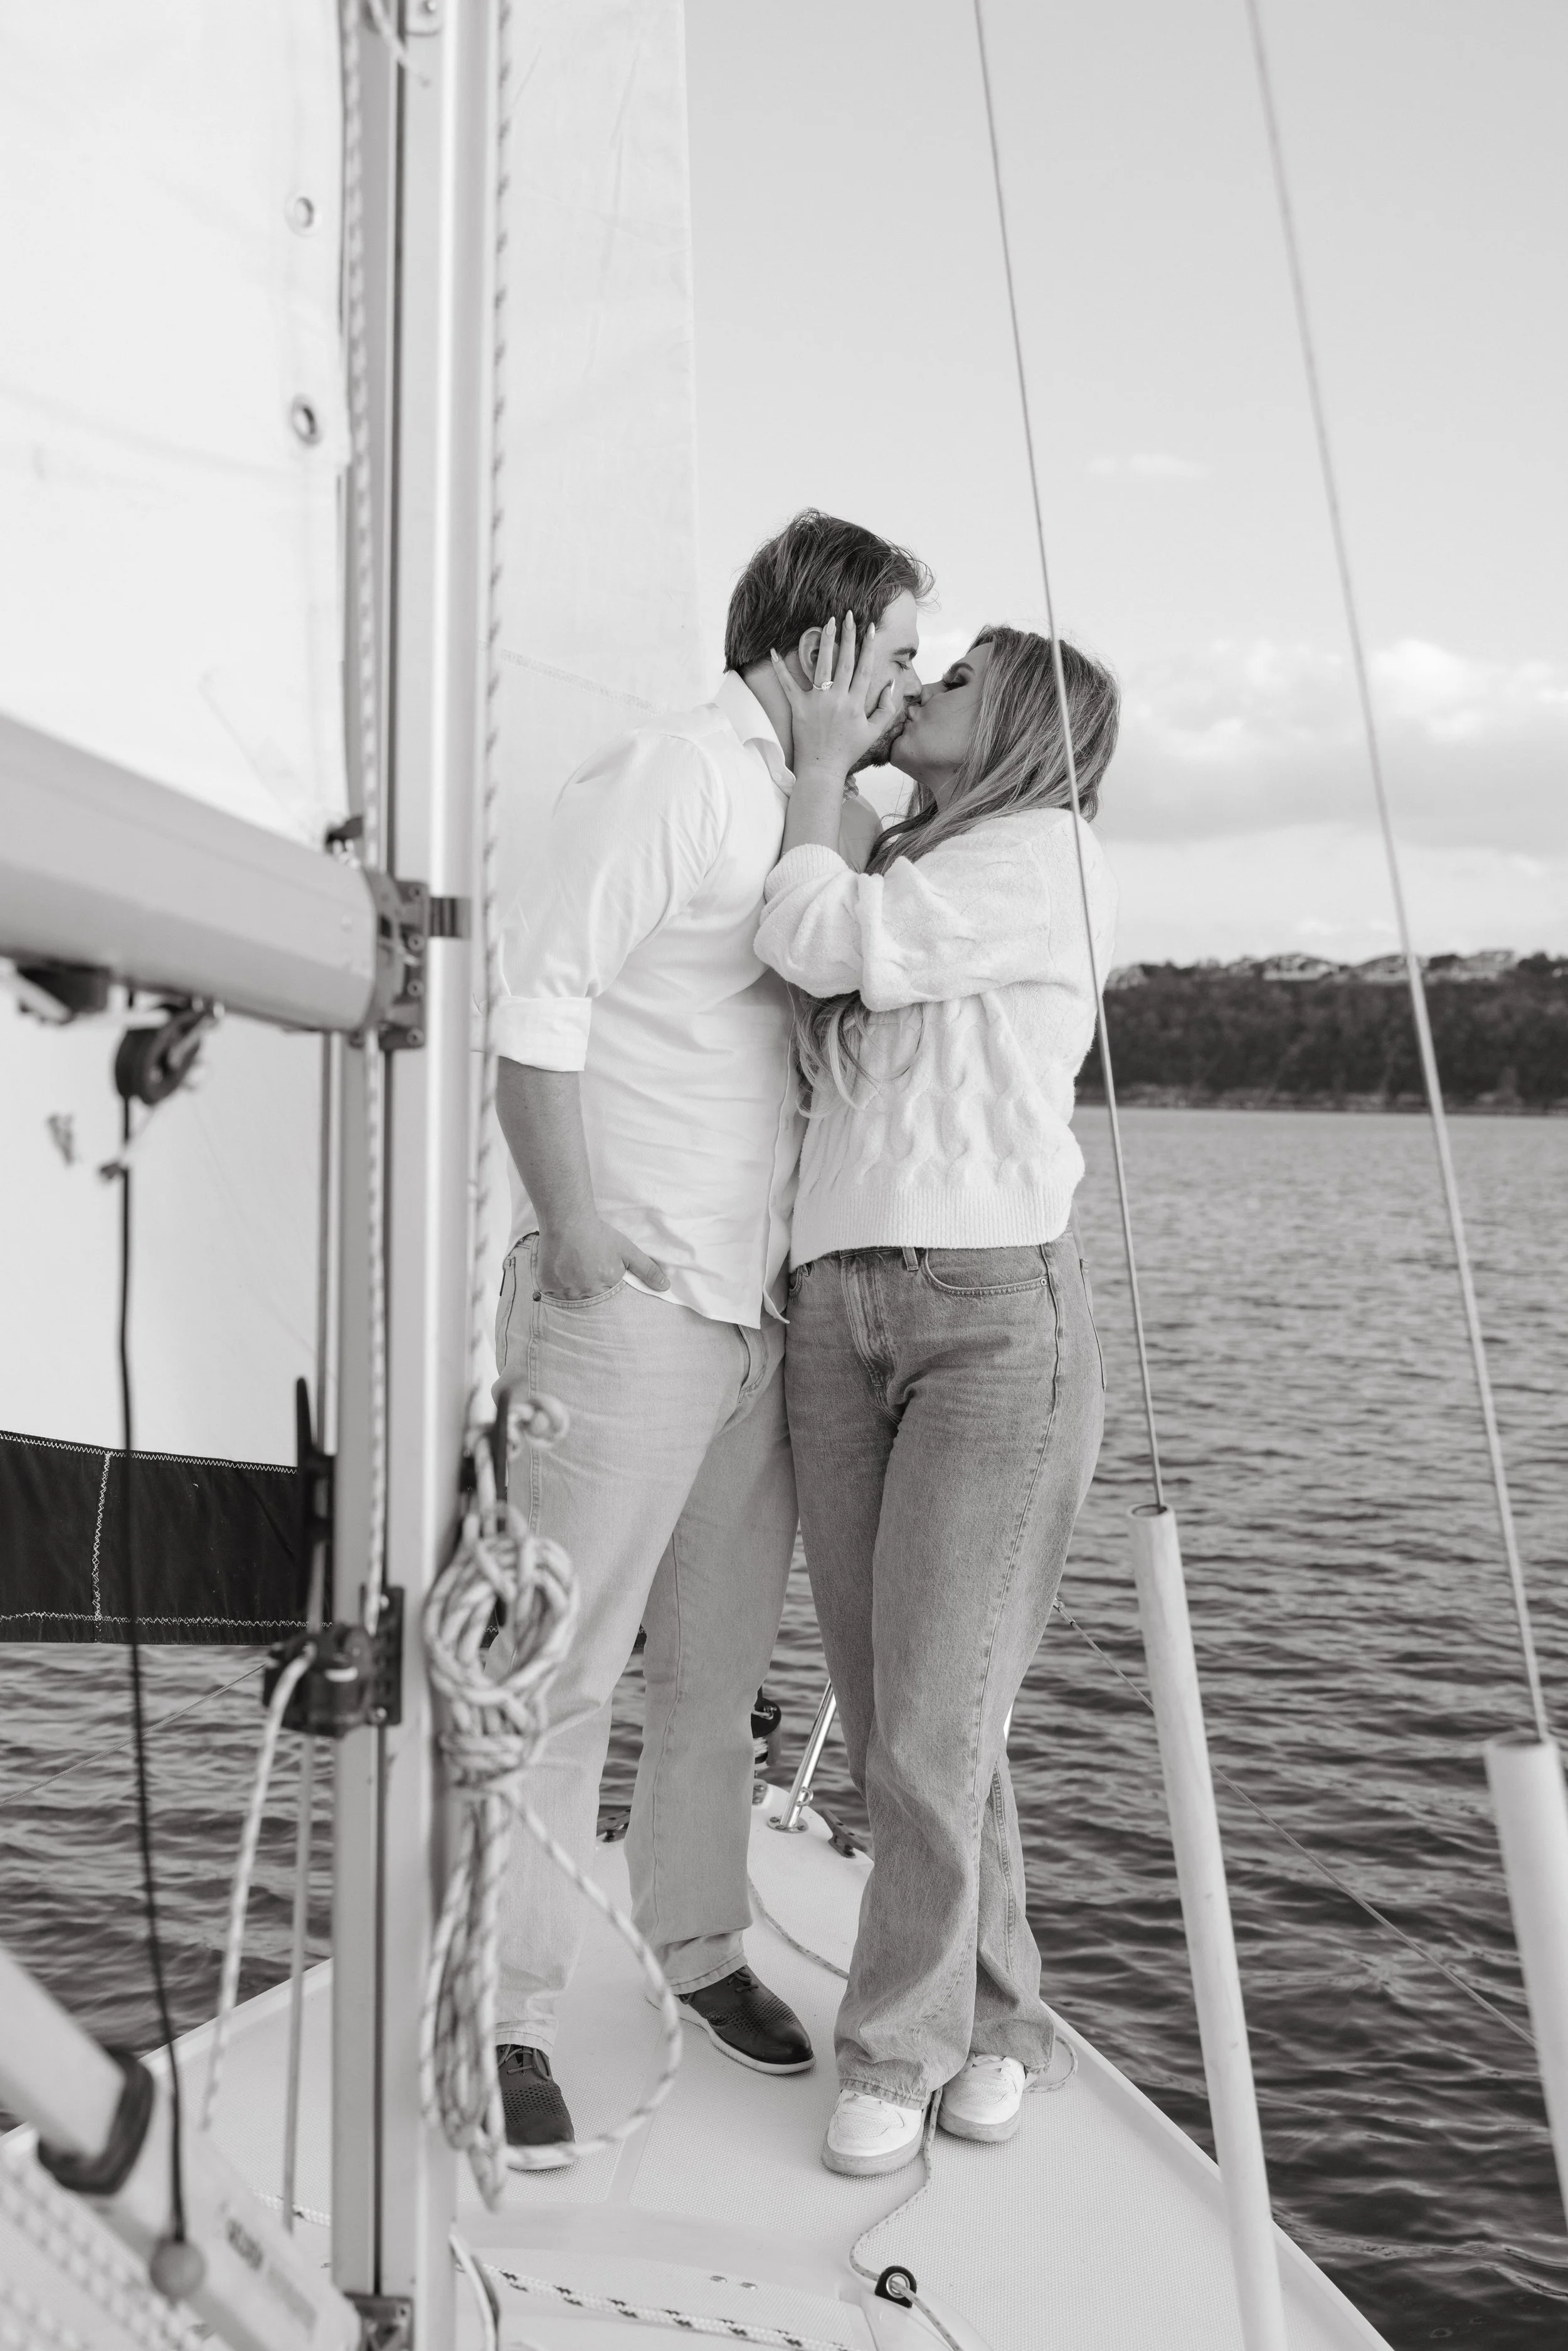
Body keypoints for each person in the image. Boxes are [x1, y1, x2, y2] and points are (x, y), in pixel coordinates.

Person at [488, 512, 931, 2160]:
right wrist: (582, 1247)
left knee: (718, 1673)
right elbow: (535, 1000)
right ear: (819, 639)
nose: (902, 684)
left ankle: (692, 1946)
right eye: (890, 653)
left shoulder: (818, 812)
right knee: (556, 1674)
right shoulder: (675, 771)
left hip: (758, 1319)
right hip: (635, 1301)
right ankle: (500, 2010)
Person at [753, 617, 1120, 2177]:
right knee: (917, 1706)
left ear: (1025, 722)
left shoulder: (1042, 853)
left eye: (953, 676)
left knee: (925, 1719)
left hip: (986, 1318)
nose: (922, 687)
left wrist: (823, 763)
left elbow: (813, 940)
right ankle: (1008, 2020)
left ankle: (896, 2048)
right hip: (840, 1309)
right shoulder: (915, 857)